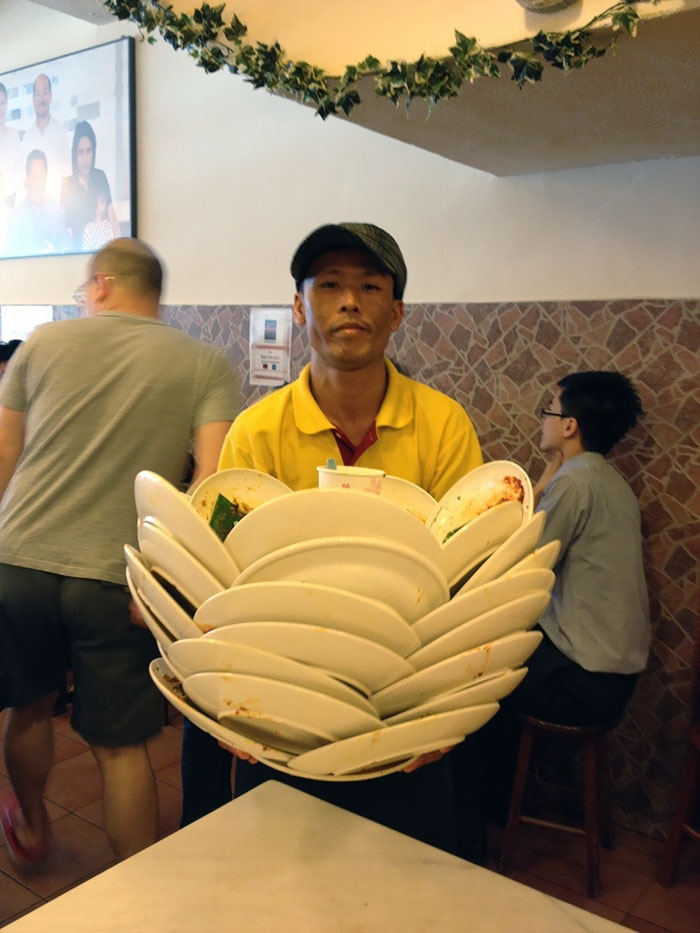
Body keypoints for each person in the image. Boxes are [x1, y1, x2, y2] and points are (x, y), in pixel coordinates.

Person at [181, 222, 483, 852]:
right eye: (329, 285)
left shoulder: (443, 424)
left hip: (404, 699)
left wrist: (444, 712)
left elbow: (470, 574)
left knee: (406, 880)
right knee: (281, 878)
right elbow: (226, 580)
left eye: (370, 286)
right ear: (299, 306)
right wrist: (233, 697)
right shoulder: (257, 432)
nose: (350, 301)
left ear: (396, 311)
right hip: (285, 699)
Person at [0, 238, 239, 870]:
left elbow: (3, 451)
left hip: (19, 562)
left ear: (100, 284)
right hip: (119, 578)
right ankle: (139, 893)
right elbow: (210, 487)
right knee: (122, 746)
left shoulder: (41, 344)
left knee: (27, 707)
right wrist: (167, 582)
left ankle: (30, 824)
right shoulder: (205, 362)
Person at [452, 370, 650, 853]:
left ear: (569, 425)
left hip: (584, 681)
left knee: (471, 682)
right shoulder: (601, 477)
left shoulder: (575, 485)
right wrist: (550, 469)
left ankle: (475, 819)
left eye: (549, 410)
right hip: (612, 676)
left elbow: (523, 558)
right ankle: (491, 807)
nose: (542, 418)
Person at [61, 120, 119, 251]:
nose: (85, 158)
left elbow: (115, 226)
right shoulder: (67, 185)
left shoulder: (100, 177)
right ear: (74, 154)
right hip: (74, 256)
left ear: (94, 152)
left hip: (102, 257)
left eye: (88, 151)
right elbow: (61, 229)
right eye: (80, 152)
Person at [4, 149, 68, 256]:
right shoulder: (17, 215)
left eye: (42, 175)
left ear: (46, 177)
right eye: (35, 175)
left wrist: (56, 254)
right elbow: (10, 254)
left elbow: (67, 248)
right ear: (27, 178)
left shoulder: (57, 211)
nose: (39, 181)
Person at [21, 74, 70, 202]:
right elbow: (24, 179)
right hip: (32, 213)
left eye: (45, 93)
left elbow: (67, 178)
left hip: (56, 210)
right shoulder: (27, 137)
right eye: (37, 94)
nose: (41, 98)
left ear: (50, 96)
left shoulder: (61, 133)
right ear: (32, 99)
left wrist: (62, 210)